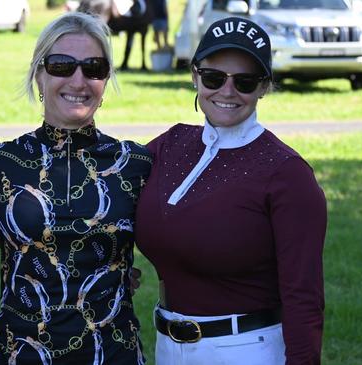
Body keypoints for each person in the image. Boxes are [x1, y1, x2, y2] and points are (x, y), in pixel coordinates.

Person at [135, 17, 327, 365]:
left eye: (245, 81)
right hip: (167, 346)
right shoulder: (170, 145)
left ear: (264, 87)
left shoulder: (287, 174)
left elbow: (304, 297)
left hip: (247, 350)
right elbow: (107, 198)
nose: (227, 91)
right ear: (194, 76)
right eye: (213, 77)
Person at [0, 11, 151, 365]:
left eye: (93, 68)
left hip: (114, 354)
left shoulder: (135, 163)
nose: (78, 80)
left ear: (106, 81)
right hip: (23, 356)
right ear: (39, 75)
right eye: (61, 66)